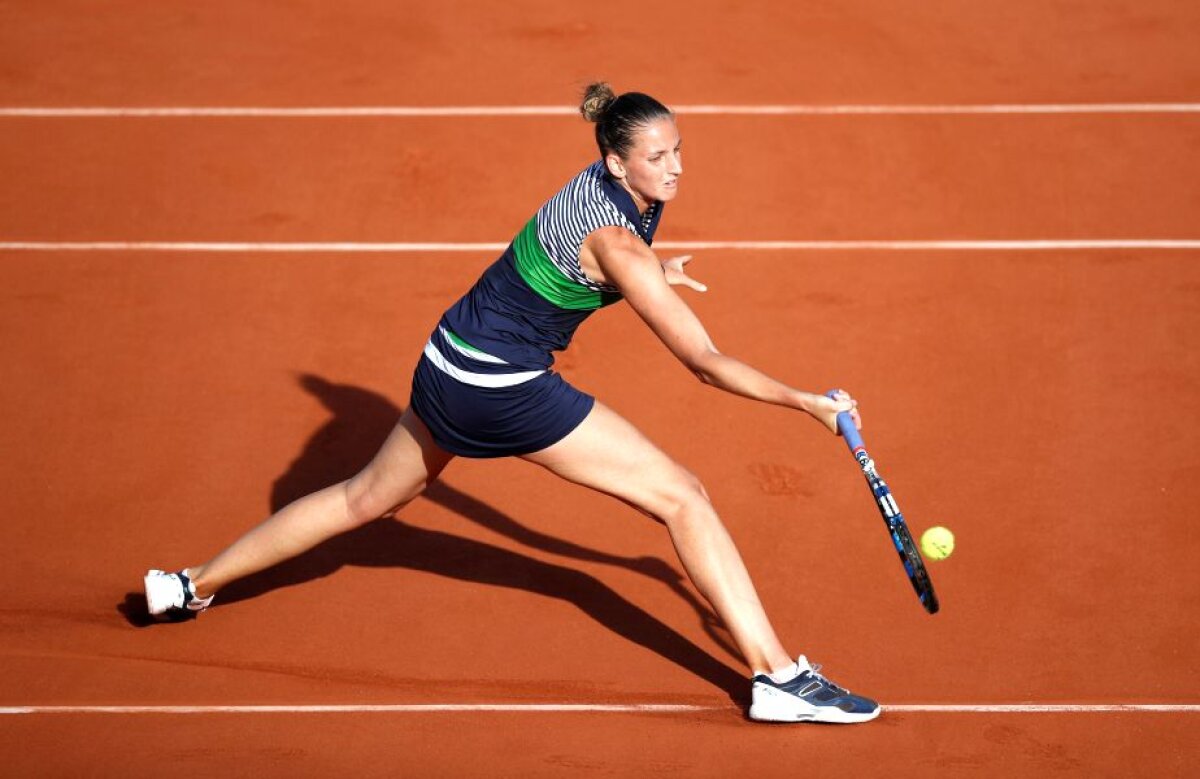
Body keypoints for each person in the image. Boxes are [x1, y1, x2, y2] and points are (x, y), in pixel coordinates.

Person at [144, 83, 879, 724]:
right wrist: (808, 402)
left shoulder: (604, 190)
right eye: (658, 158)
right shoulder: (619, 239)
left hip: (445, 355)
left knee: (363, 497)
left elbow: (586, 259)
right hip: (500, 385)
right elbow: (704, 364)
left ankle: (187, 584)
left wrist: (656, 268)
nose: (677, 167)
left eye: (679, 149)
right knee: (684, 496)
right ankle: (780, 677)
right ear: (618, 163)